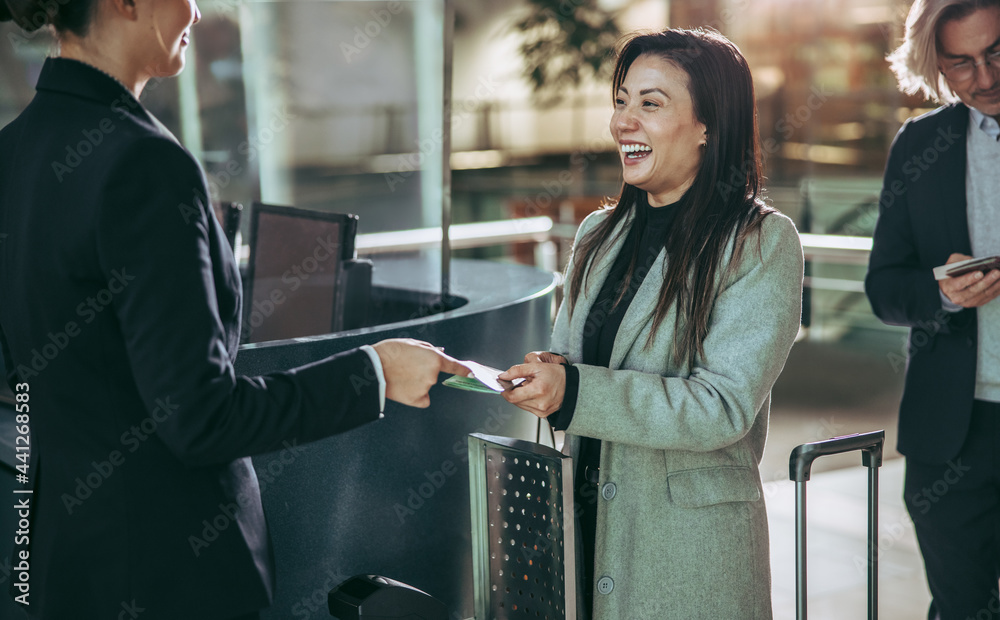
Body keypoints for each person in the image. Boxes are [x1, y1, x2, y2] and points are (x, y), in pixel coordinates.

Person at [0, 0, 469, 617]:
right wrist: (374, 373)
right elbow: (201, 419)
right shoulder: (145, 167)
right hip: (166, 579)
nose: (195, 11)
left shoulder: (13, 151)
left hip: (49, 567)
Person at [499, 28, 804, 619]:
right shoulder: (597, 234)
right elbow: (573, 371)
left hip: (687, 556)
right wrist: (551, 377)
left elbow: (723, 407)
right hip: (586, 532)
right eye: (621, 100)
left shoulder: (760, 243)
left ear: (708, 125)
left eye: (650, 104)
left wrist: (578, 391)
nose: (622, 123)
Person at [867, 1, 1000, 618]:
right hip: (951, 434)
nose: (986, 78)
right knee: (960, 610)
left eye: (998, 53)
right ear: (938, 68)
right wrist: (941, 293)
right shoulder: (920, 145)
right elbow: (885, 288)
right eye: (963, 63)